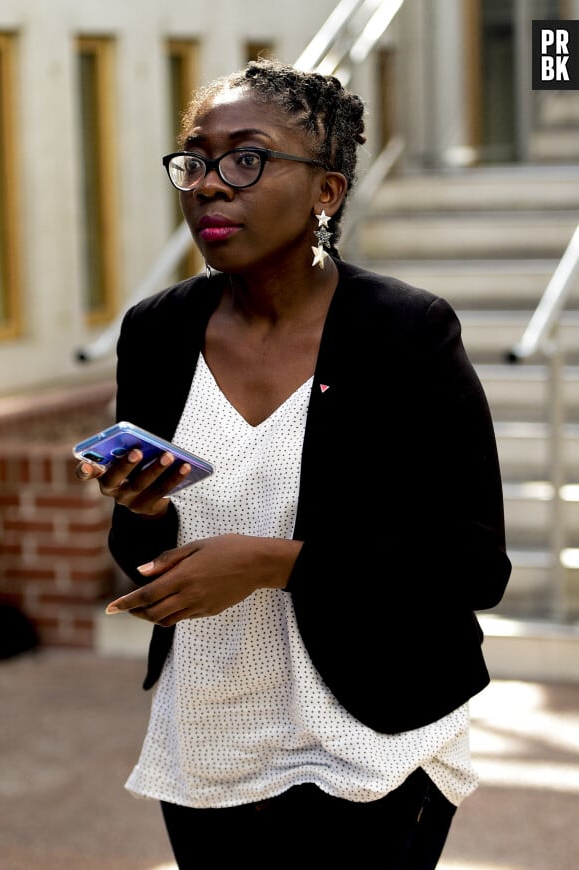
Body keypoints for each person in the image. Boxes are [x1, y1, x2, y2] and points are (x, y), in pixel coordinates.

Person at [76, 58, 511, 868]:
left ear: (327, 192)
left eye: (247, 158)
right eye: (196, 159)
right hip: (210, 732)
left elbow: (472, 565)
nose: (209, 184)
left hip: (376, 729)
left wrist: (278, 564)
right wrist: (143, 514)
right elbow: (144, 561)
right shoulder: (157, 333)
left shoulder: (407, 335)